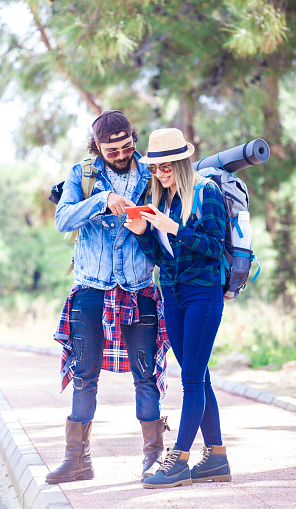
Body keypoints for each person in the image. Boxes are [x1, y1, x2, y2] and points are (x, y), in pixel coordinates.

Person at [45, 111, 170, 485]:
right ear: (96, 146)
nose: (120, 153)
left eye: (126, 145)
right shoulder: (80, 175)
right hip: (90, 289)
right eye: (111, 149)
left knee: (146, 376)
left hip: (139, 289)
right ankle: (77, 460)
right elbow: (63, 218)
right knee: (84, 375)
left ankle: (153, 459)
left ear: (133, 138)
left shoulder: (151, 174)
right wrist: (102, 199)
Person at [125, 128, 232, 488]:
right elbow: (160, 260)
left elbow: (216, 248)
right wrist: (143, 232)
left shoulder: (207, 193)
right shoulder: (163, 200)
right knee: (198, 376)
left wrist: (175, 229)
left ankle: (179, 459)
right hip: (172, 293)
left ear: (182, 161)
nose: (160, 172)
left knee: (190, 380)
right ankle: (216, 457)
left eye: (166, 165)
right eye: (155, 167)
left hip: (203, 293)